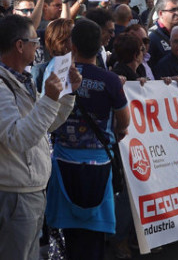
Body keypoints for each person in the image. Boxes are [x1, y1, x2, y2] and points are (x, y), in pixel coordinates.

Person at [0, 14, 76, 259]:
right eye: (34, 41)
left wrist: (68, 95)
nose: (38, 46)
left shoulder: (23, 78)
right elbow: (18, 139)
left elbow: (45, 126)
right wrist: (50, 99)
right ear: (20, 45)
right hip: (13, 193)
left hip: (29, 189)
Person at [45, 18, 127, 259]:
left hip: (62, 162)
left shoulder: (54, 74)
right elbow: (125, 122)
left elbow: (45, 111)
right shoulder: (110, 80)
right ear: (100, 43)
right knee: (93, 239)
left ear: (72, 45)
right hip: (99, 164)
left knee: (67, 237)